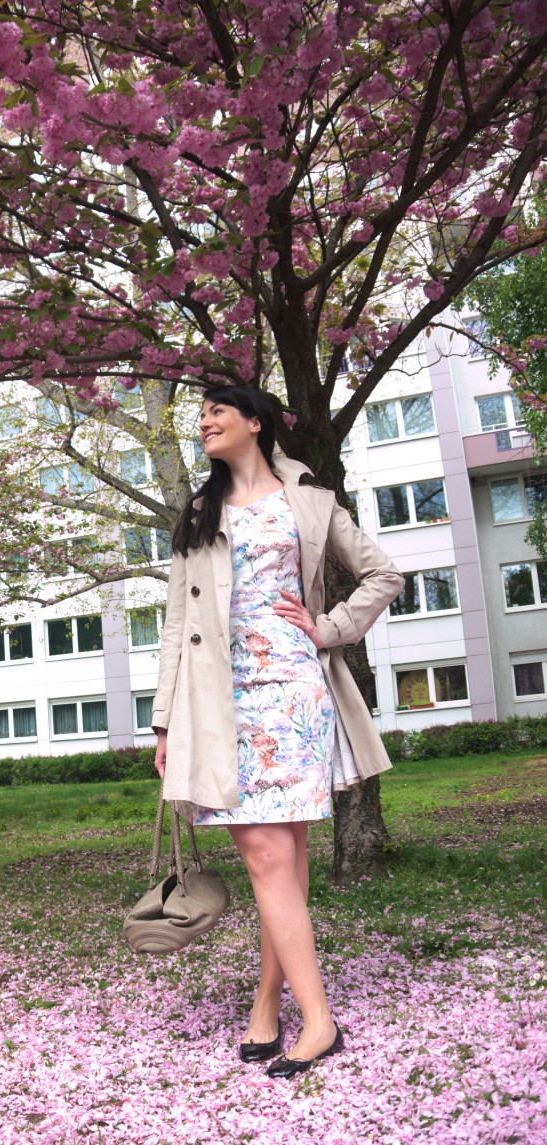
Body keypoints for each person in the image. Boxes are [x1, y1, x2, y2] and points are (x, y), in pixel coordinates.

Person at [152, 383, 402, 1079]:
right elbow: (177, 622)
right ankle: (270, 1003)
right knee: (275, 862)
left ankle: (315, 1021)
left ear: (254, 424)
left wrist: (329, 628)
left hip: (294, 693)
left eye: (215, 413)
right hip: (219, 700)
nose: (203, 423)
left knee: (278, 862)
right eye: (199, 416)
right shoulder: (200, 513)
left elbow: (384, 573)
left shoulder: (310, 501)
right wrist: (165, 719)